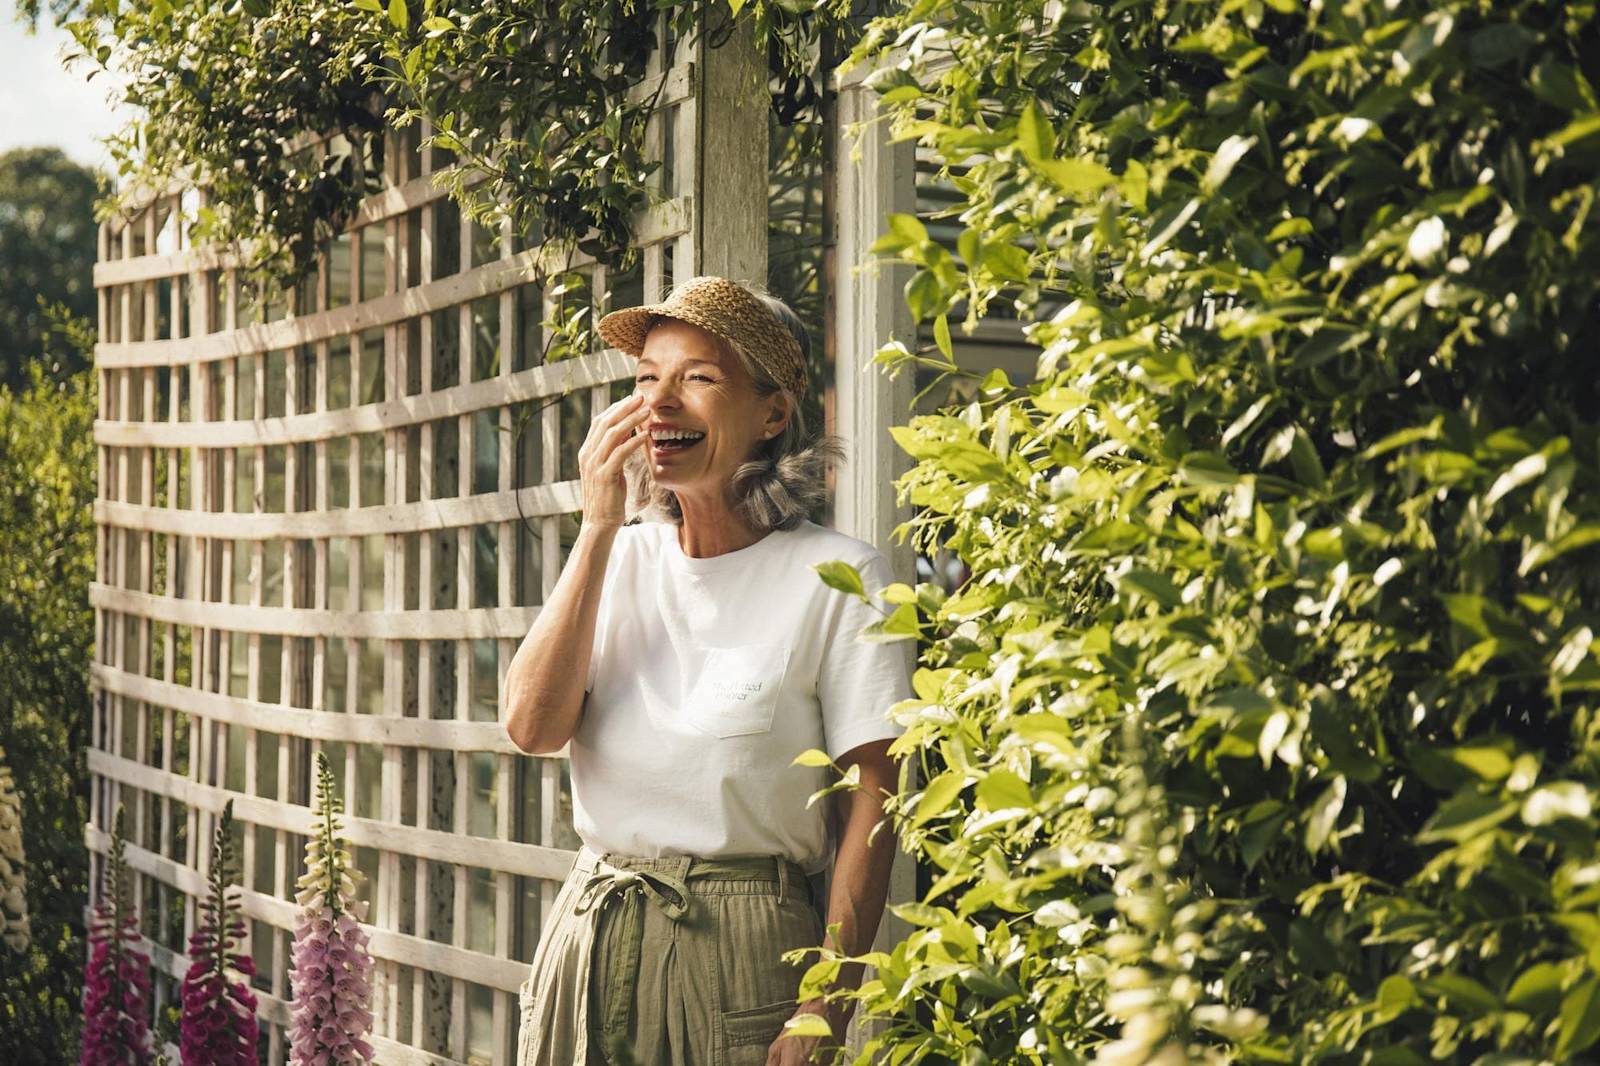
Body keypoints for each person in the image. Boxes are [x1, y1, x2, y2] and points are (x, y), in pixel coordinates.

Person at [503, 275, 913, 1066]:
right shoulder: (617, 560)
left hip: (747, 949)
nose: (660, 402)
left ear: (772, 413)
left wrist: (826, 1004)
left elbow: (877, 801)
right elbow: (530, 726)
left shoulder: (842, 580)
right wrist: (596, 526)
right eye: (647, 378)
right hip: (592, 933)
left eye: (698, 377)